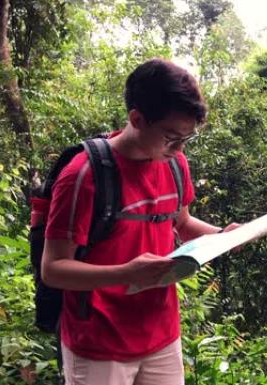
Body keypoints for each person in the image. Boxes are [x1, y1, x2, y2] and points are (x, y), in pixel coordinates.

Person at [41, 58, 238, 385]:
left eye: (186, 140)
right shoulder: (84, 176)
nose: (178, 149)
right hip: (99, 342)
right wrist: (126, 273)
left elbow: (182, 222)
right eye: (171, 138)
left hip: (161, 334)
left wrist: (222, 236)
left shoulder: (174, 165)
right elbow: (53, 268)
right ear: (137, 119)